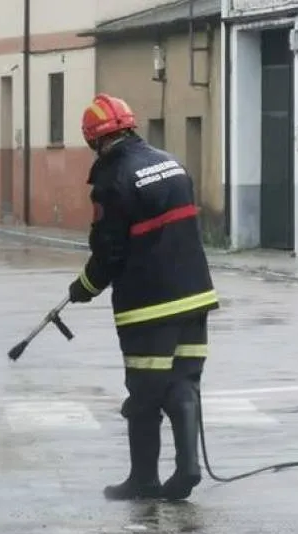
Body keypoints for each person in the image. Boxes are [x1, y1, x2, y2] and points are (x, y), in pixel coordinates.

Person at [68, 93, 219, 500]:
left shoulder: (112, 180)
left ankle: (143, 479)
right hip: (195, 296)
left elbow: (109, 252)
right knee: (184, 381)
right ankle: (187, 470)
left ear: (94, 140)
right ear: (130, 126)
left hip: (149, 306)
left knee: (145, 392)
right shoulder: (169, 163)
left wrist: (83, 288)